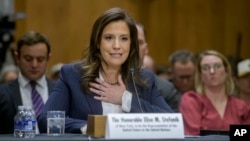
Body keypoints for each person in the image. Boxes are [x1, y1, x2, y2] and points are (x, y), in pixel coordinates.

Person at [38, 7, 173, 134]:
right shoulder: (73, 75)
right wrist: (91, 127)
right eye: (109, 38)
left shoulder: (145, 78)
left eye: (124, 39)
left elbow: (170, 122)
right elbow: (46, 119)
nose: (116, 46)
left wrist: (125, 99)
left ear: (131, 44)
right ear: (97, 42)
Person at [179, 50, 250, 135]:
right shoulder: (192, 100)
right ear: (200, 75)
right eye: (205, 68)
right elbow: (194, 135)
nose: (212, 71)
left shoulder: (241, 107)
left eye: (217, 66)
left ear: (226, 71)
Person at [0, 31, 55, 134]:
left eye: (40, 59)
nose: (34, 65)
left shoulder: (61, 91)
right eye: (28, 59)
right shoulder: (3, 94)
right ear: (17, 58)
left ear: (48, 59)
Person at [136, 23, 180, 112]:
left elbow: (173, 122)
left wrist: (126, 99)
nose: (134, 47)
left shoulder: (166, 90)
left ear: (146, 48)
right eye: (128, 41)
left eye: (139, 43)